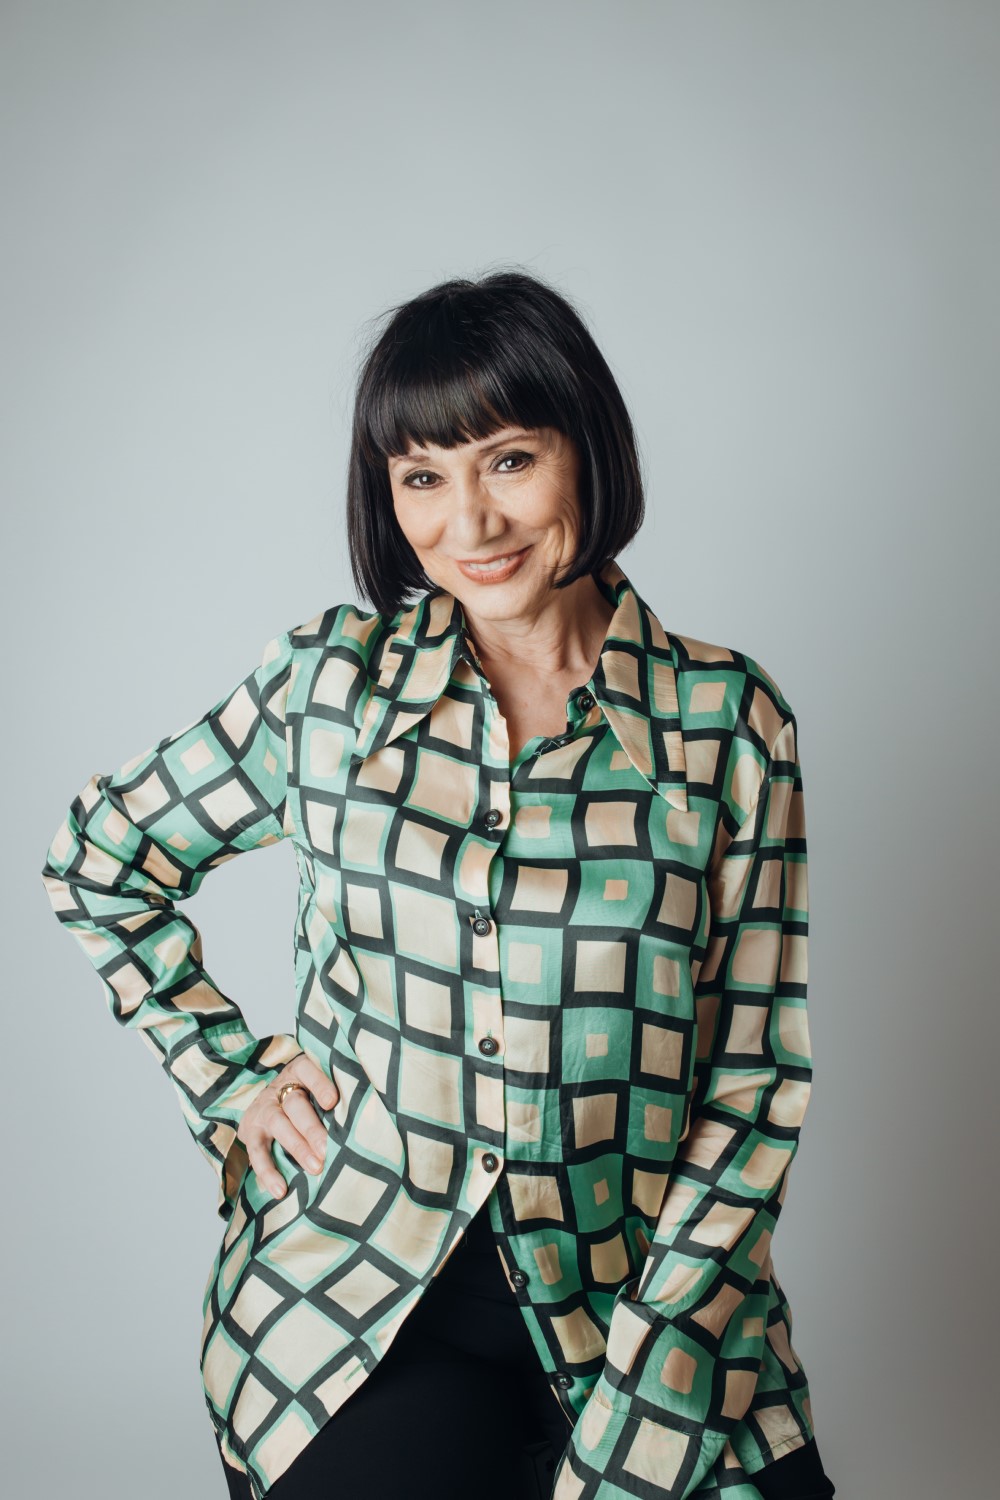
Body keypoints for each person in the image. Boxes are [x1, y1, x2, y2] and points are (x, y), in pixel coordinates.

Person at [40, 269, 835, 1500]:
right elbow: (100, 862)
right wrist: (233, 1082)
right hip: (358, 1313)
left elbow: (750, 1085)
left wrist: (642, 1414)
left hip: (651, 1308)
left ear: (585, 453)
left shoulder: (727, 723)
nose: (469, 521)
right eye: (422, 477)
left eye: (509, 461)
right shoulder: (328, 693)